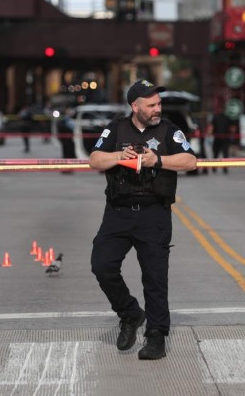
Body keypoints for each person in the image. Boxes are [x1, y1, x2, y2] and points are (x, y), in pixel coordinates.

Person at [89, 79, 197, 360]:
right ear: (134, 106)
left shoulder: (169, 131)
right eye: (151, 105)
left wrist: (157, 161)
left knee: (155, 279)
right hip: (118, 212)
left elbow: (190, 161)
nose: (157, 108)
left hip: (154, 214)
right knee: (102, 266)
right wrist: (117, 155)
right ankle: (130, 314)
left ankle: (156, 337)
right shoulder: (116, 129)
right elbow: (94, 159)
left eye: (158, 103)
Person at [206, 107, 236, 174]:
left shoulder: (217, 117)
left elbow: (211, 127)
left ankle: (216, 168)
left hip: (219, 138)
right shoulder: (227, 117)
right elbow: (232, 128)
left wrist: (209, 134)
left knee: (217, 154)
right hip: (223, 138)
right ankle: (222, 168)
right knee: (222, 154)